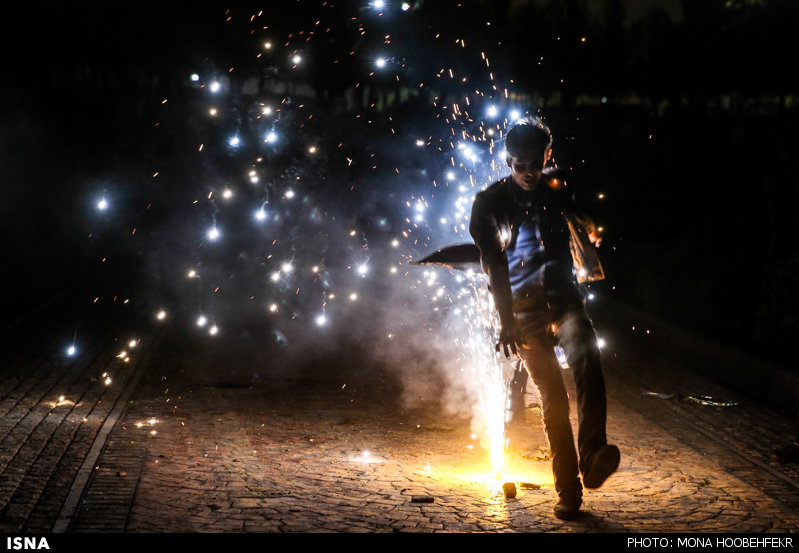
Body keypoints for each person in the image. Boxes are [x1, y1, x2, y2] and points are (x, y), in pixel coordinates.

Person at [469, 116, 619, 521]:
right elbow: (494, 267)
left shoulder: (556, 188)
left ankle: (592, 457)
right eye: (520, 165)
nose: (529, 173)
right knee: (554, 398)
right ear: (507, 161)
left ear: (548, 157)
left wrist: (586, 224)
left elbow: (569, 208)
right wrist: (506, 322)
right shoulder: (488, 203)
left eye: (536, 163)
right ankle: (569, 493)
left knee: (588, 360)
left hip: (565, 300)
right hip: (523, 311)